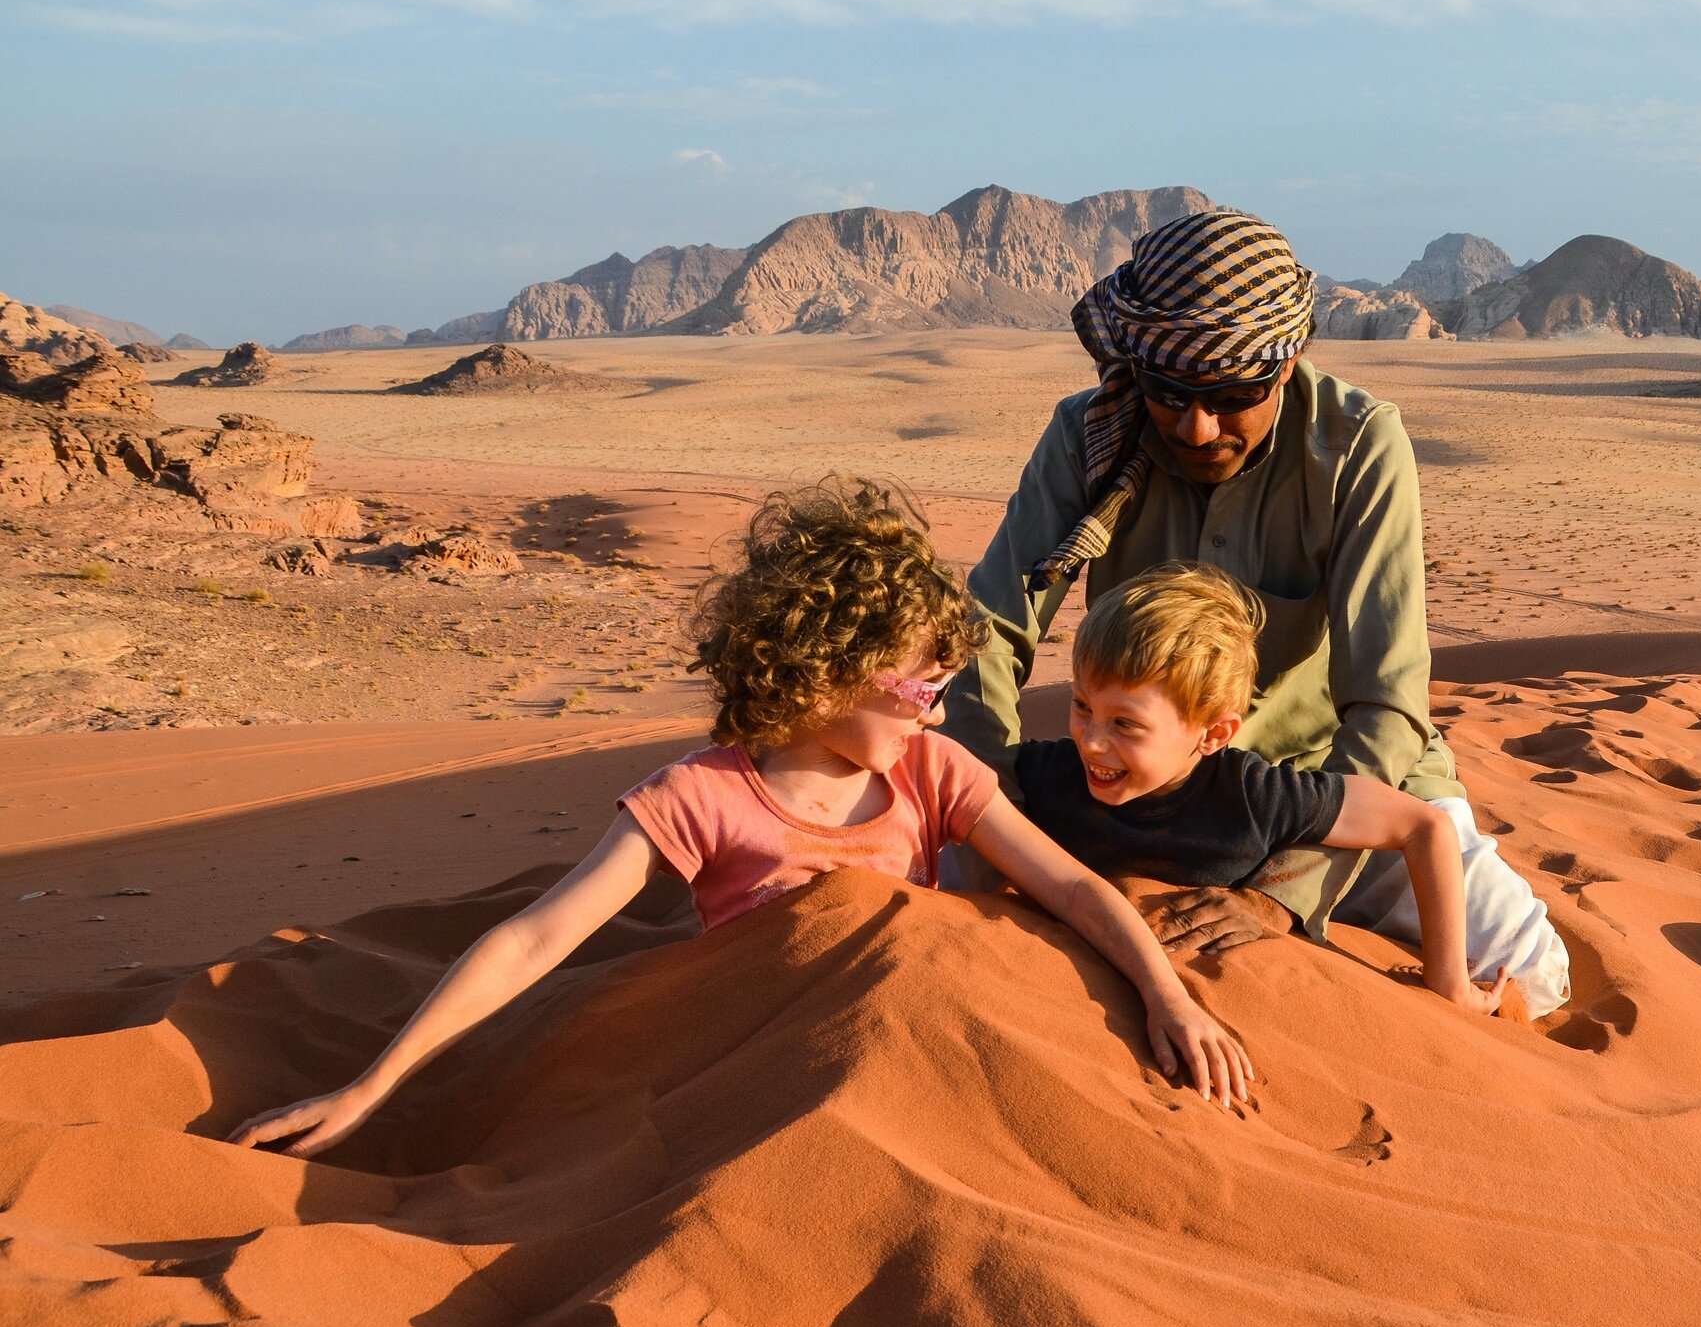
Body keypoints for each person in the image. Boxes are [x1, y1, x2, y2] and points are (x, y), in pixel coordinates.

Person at [228, 480, 1254, 1160]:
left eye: (944, 691)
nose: (935, 713)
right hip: (748, 1106)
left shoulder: (935, 771)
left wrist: (1169, 1001)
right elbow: (539, 935)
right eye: (915, 690)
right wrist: (373, 1087)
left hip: (917, 1084)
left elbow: (1069, 886)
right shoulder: (701, 797)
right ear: (824, 673)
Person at [943, 207, 1572, 1016]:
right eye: (1169, 393)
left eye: (1232, 395)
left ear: (1287, 364)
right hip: (1137, 781)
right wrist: (995, 811)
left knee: (1535, 974)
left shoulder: (1354, 445)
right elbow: (989, 629)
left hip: (1320, 794)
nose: (1196, 427)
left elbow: (1386, 705)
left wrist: (1281, 893)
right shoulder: (1089, 433)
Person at [1016, 561, 1510, 1016]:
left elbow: (1424, 824)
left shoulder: (1254, 795)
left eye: (1125, 724)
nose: (1092, 742)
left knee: (1534, 968)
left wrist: (1449, 984)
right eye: (1082, 706)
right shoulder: (1046, 775)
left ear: (1213, 735)